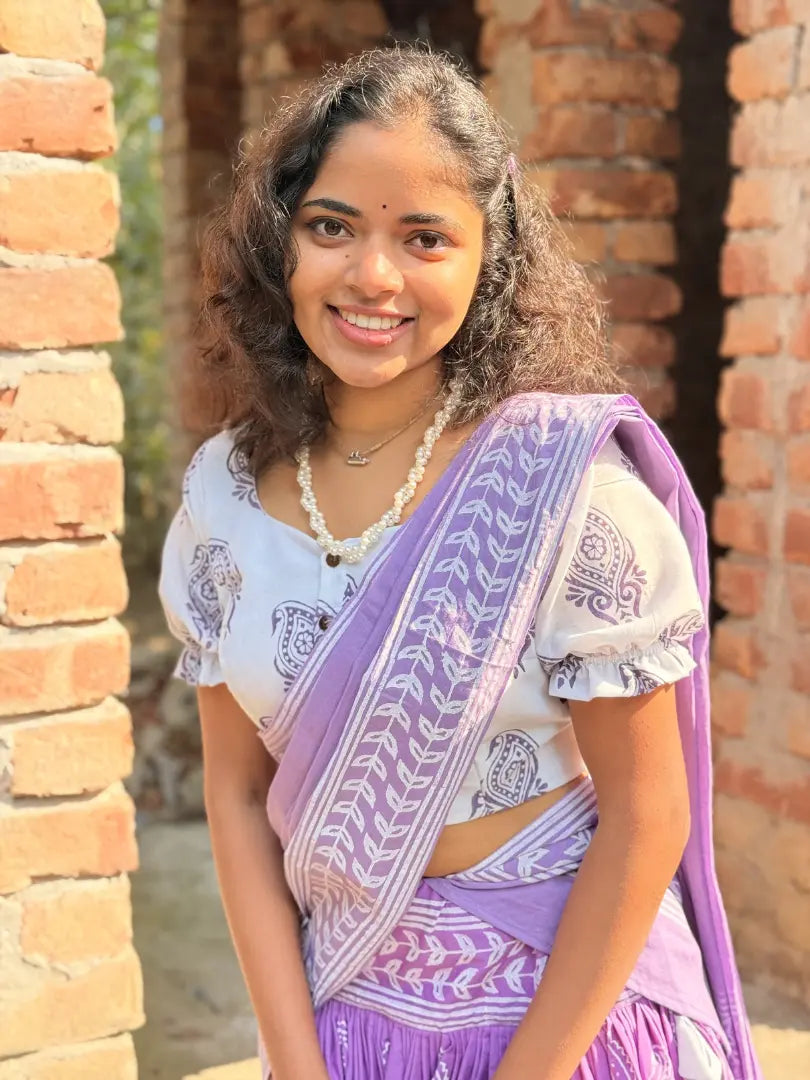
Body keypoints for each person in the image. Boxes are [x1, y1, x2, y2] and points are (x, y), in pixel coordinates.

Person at [158, 45, 762, 1080]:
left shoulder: (564, 491)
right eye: (331, 227)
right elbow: (236, 796)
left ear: (491, 258)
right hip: (348, 1021)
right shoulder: (224, 499)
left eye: (425, 237)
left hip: (577, 1029)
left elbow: (649, 812)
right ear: (281, 243)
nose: (373, 276)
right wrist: (298, 1065)